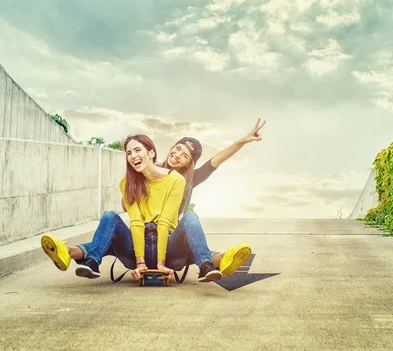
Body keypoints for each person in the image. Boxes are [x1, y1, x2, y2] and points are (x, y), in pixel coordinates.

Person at [41, 134, 223, 283]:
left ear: (151, 153)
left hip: (168, 247)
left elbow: (165, 222)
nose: (133, 156)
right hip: (137, 246)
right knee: (110, 217)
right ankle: (91, 262)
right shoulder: (127, 183)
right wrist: (140, 263)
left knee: (191, 219)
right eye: (129, 153)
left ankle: (208, 264)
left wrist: (160, 263)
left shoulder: (177, 180)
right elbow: (136, 222)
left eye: (138, 150)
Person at [160, 118, 266, 276]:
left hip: (171, 244)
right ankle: (217, 259)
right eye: (177, 149)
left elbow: (217, 160)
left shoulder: (190, 180)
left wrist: (242, 141)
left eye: (184, 156)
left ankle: (219, 261)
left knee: (190, 219)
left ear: (188, 164)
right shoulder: (151, 170)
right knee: (196, 246)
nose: (177, 155)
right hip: (146, 240)